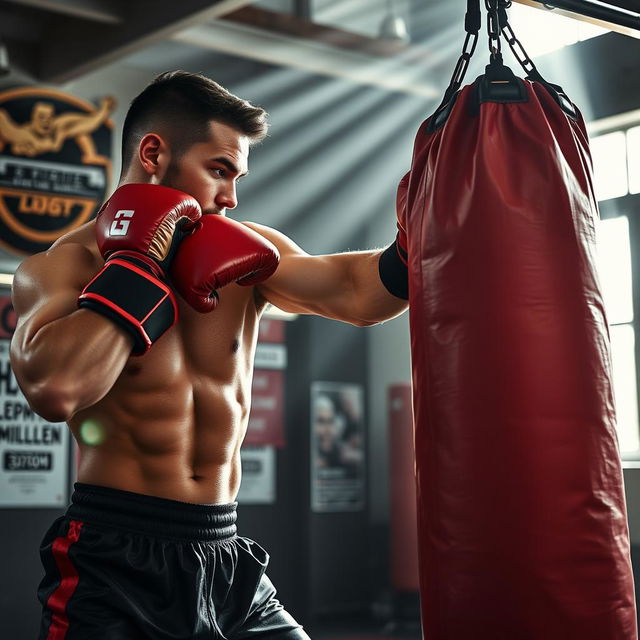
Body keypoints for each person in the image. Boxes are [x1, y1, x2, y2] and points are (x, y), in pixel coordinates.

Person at [10, 70, 409, 640]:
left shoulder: (245, 257)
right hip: (113, 561)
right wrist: (137, 266)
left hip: (225, 559)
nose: (231, 197)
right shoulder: (64, 267)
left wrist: (419, 239)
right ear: (153, 153)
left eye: (238, 176)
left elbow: (353, 290)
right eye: (219, 170)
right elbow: (55, 389)